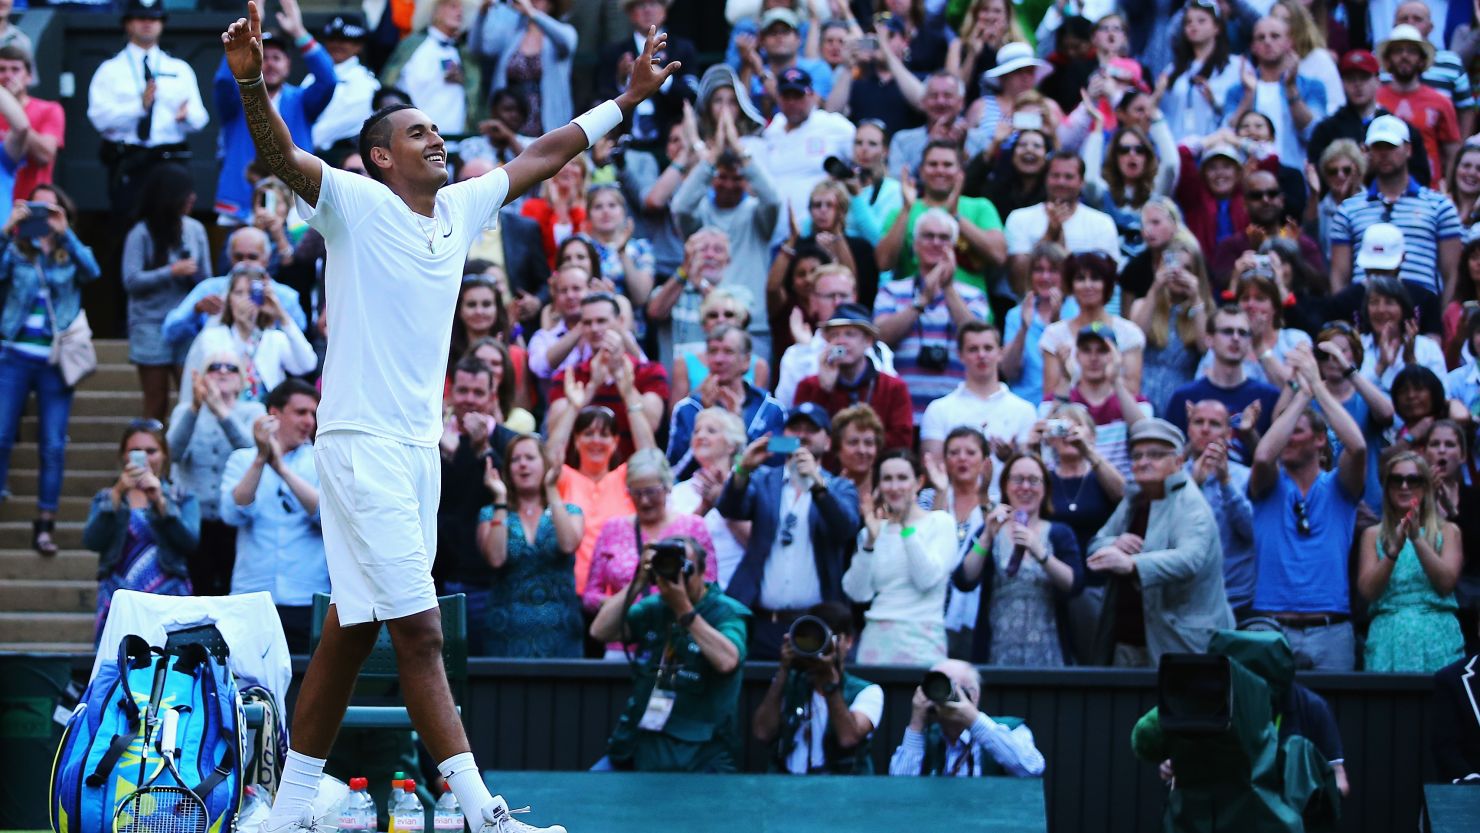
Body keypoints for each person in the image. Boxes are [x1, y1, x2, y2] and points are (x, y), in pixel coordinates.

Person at [222, 0, 679, 825]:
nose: (437, 139)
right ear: (379, 157)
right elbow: (282, 155)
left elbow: (546, 151)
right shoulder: (355, 203)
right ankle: (483, 810)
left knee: (351, 632)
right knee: (421, 632)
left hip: (414, 452)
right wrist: (254, 80)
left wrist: (629, 98)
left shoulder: (460, 210)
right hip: (359, 444)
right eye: (418, 133)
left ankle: (284, 813)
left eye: (439, 130)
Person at [1247, 346, 1366, 671]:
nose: (1286, 439)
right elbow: (1261, 456)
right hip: (1271, 626)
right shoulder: (1270, 485)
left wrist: (1319, 387)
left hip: (1332, 627)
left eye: (1295, 432)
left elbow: (1357, 446)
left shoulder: (1339, 487)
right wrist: (1302, 394)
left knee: (1335, 718)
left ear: (1318, 441)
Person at [589, 534, 748, 772]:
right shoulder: (656, 606)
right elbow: (600, 631)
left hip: (702, 755)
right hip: (642, 742)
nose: (676, 573)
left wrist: (683, 609)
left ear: (703, 571)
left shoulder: (726, 612)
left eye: (683, 565)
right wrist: (638, 582)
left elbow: (728, 660)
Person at [1085, 418, 1235, 666]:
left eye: (1154, 455)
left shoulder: (1190, 503)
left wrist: (1133, 564)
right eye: (1137, 456)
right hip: (1128, 640)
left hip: (1181, 646)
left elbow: (1190, 559)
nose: (1143, 462)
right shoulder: (1135, 498)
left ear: (1178, 461)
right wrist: (1115, 543)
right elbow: (1096, 543)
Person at [0, 187, 100, 557]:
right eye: (34, 209)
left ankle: (45, 524)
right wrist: (8, 228)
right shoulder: (15, 250)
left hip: (56, 361)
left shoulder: (67, 252)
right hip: (14, 354)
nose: (41, 217)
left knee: (53, 445)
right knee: (0, 434)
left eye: (49, 209)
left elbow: (94, 272)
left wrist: (65, 233)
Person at [717, 404, 860, 660]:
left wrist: (818, 486)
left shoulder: (840, 487)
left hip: (817, 625)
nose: (802, 435)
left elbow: (846, 528)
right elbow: (730, 508)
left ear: (828, 442)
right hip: (760, 622)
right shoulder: (763, 479)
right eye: (795, 428)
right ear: (783, 435)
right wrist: (743, 468)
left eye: (811, 429)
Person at [219, 379, 323, 652]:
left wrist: (283, 471)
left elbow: (328, 517)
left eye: (313, 413)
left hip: (307, 597)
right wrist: (261, 460)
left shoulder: (322, 460)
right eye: (301, 412)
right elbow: (231, 514)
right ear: (274, 414)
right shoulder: (242, 459)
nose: (309, 421)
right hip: (251, 594)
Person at [548, 347, 660, 597]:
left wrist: (629, 393)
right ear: (576, 441)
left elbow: (651, 459)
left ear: (615, 442)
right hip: (570, 594)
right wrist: (576, 404)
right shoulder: (564, 478)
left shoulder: (624, 477)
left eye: (604, 434)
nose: (596, 440)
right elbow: (549, 458)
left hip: (622, 594)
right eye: (587, 433)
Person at [583, 449, 717, 656]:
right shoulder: (613, 528)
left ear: (667, 487)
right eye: (636, 493)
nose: (644, 501)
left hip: (676, 642)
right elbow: (590, 595)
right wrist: (624, 602)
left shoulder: (693, 527)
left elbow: (710, 585)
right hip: (623, 642)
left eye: (651, 492)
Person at [1330, 116, 1461, 326]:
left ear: (1408, 149)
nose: (1383, 153)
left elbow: (1452, 273)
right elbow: (1339, 275)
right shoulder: (1348, 209)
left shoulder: (1439, 206)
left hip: (1421, 315)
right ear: (1368, 152)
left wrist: (1439, 320)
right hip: (1364, 317)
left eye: (1390, 146)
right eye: (1377, 147)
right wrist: (1346, 320)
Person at [953, 452, 1082, 666]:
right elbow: (963, 580)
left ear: (1045, 488)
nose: (1025, 487)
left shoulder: (1060, 533)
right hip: (995, 654)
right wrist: (986, 537)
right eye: (1017, 479)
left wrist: (1041, 553)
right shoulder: (989, 530)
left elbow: (1075, 584)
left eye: (1033, 480)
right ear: (1005, 486)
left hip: (1050, 654)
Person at [212, 0, 334, 224]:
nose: (268, 64)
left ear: (288, 65)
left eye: (276, 58)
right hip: (241, 204)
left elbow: (328, 80)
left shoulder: (301, 101)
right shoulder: (235, 99)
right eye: (263, 57)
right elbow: (222, 82)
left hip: (295, 206)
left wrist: (299, 31)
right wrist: (242, 43)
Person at [671, 121, 782, 358]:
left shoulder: (757, 215)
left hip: (753, 327)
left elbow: (773, 200)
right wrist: (710, 160)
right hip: (705, 327)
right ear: (712, 178)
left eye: (737, 178)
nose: (729, 184)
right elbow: (679, 208)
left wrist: (741, 152)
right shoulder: (700, 214)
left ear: (747, 180)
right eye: (722, 176)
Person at [86, 0, 209, 215]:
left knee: (171, 227)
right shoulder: (110, 70)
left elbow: (200, 119)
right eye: (141, 18)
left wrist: (186, 116)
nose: (147, 23)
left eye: (154, 18)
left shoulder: (180, 69)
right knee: (127, 228)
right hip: (129, 161)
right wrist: (138, 108)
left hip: (170, 159)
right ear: (127, 23)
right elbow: (98, 118)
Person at [874, 210, 993, 423]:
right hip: (903, 413)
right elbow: (880, 337)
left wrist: (947, 290)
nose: (936, 243)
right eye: (928, 236)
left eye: (944, 238)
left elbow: (977, 338)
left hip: (958, 416)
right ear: (915, 244)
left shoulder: (973, 296)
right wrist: (921, 301)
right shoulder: (891, 291)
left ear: (954, 246)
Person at [85, 419, 199, 639]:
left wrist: (161, 503)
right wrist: (116, 495)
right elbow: (92, 541)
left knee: (170, 664)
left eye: (151, 451)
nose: (144, 458)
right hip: (118, 594)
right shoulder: (106, 497)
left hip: (169, 592)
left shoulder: (183, 498)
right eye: (135, 451)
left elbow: (190, 542)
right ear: (124, 456)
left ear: (164, 455)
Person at [477, 433, 585, 658]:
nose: (523, 464)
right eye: (515, 459)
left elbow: (567, 544)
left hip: (561, 634)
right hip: (505, 633)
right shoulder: (490, 513)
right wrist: (500, 500)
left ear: (545, 464)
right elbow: (496, 558)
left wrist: (552, 489)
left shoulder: (572, 512)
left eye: (530, 457)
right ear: (508, 469)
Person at [843, 450, 955, 666]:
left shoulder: (940, 522)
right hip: (875, 641)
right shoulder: (872, 531)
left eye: (902, 478)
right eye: (887, 479)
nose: (894, 487)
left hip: (923, 642)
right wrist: (869, 543)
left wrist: (905, 528)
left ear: (919, 482)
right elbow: (858, 594)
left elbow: (927, 579)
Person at [167, 347, 264, 596]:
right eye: (214, 367)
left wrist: (221, 411)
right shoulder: (184, 411)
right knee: (197, 592)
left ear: (241, 381)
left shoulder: (252, 412)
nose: (222, 371)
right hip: (192, 520)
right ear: (202, 377)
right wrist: (195, 409)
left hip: (236, 518)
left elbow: (254, 453)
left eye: (231, 367)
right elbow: (172, 454)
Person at [1358, 451, 1465, 672]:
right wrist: (1393, 551)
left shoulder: (1448, 531)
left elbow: (1446, 583)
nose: (1404, 486)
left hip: (1438, 639)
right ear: (1386, 488)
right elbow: (1368, 592)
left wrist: (1416, 538)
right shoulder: (1372, 535)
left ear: (1426, 487)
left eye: (1413, 480)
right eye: (1396, 480)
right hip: (1387, 640)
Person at [122, 163, 209, 424]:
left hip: (186, 322)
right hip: (150, 323)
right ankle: (152, 455)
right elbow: (131, 280)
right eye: (186, 192)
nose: (192, 198)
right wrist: (171, 271)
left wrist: (191, 274)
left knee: (193, 398)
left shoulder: (196, 230)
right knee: (156, 399)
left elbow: (206, 279)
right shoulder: (141, 233)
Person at [752, 600, 881, 774]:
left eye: (826, 637)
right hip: (788, 787)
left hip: (842, 791)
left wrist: (829, 682)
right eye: (811, 638)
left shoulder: (868, 692)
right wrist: (783, 670)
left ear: (848, 641)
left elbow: (848, 738)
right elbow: (762, 733)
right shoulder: (791, 682)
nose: (819, 644)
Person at [549, 292, 668, 462]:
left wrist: (624, 383)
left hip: (632, 477)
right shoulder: (567, 376)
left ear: (620, 322)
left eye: (602, 321)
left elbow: (651, 425)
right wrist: (591, 387)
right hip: (580, 478)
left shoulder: (650, 372)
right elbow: (555, 437)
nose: (594, 329)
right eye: (587, 323)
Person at [886, 659, 1045, 777]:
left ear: (974, 695)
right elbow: (900, 787)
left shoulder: (1009, 729)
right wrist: (916, 723)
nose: (942, 694)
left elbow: (1032, 768)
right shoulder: (927, 738)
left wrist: (973, 719)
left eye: (951, 686)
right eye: (937, 685)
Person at [183, 266, 317, 406]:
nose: (246, 299)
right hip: (225, 413)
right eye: (239, 293)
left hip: (267, 417)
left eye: (252, 293)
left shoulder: (275, 338)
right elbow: (226, 372)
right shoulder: (212, 336)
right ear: (229, 299)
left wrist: (282, 316)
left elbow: (306, 364)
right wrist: (243, 329)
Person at [792, 302, 914, 451]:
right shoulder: (808, 386)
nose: (841, 341)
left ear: (868, 341)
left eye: (850, 334)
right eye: (834, 335)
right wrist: (823, 390)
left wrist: (856, 446)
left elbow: (902, 442)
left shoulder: (893, 387)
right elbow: (799, 440)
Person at [666, 324, 785, 475]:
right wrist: (707, 417)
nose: (718, 359)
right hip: (699, 491)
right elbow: (674, 471)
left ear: (746, 360)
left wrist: (737, 425)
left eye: (728, 352)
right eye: (712, 351)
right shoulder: (687, 409)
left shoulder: (771, 408)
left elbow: (784, 454)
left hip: (755, 494)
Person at [1307, 49, 1431, 190]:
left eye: (1364, 77)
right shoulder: (1326, 130)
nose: (1357, 85)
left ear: (1377, 80)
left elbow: (1421, 176)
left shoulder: (1400, 128)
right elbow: (1317, 180)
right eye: (1351, 79)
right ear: (1342, 83)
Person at [760, 66, 855, 246]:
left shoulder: (833, 125)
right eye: (787, 96)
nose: (792, 102)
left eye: (798, 96)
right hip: (776, 236)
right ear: (778, 98)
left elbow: (862, 162)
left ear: (812, 96)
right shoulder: (771, 132)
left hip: (820, 235)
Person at [919, 319, 1036, 461]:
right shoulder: (938, 410)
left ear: (1000, 353)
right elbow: (934, 468)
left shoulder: (1024, 410)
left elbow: (1029, 468)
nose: (981, 355)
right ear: (960, 355)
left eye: (988, 348)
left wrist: (1010, 457)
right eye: (973, 349)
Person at [1005, 153, 1123, 291]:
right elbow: (1018, 283)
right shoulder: (1019, 218)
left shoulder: (1102, 223)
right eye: (1055, 176)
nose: (1061, 182)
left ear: (1082, 182)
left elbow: (1107, 279)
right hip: (1031, 308)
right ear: (1046, 178)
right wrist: (1049, 235)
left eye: (1069, 177)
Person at [1183, 399, 1257, 619]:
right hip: (1188, 599)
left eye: (1214, 424)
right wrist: (1193, 486)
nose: (1205, 429)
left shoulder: (1245, 477)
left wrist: (1225, 483)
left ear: (1227, 433)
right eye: (1198, 422)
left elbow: (1252, 532)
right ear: (1189, 428)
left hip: (1237, 600)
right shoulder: (1174, 477)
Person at [1222, 16, 1327, 170]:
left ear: (1289, 42)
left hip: (1294, 174)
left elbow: (1314, 134)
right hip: (1250, 176)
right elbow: (1227, 133)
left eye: (1275, 36)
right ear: (1253, 46)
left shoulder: (1312, 87)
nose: (1267, 42)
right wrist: (1249, 96)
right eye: (1261, 37)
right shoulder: (1237, 91)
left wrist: (1291, 89)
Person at [1039, 251, 1144, 404]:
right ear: (1071, 285)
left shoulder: (1129, 333)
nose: (1088, 285)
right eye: (1080, 279)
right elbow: (1050, 395)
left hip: (1117, 419)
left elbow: (1133, 392)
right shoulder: (1054, 335)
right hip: (1070, 417)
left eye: (1095, 278)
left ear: (1107, 285)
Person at [1164, 305, 1280, 439]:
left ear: (1249, 342)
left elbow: (1272, 458)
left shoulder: (1268, 397)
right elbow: (1172, 456)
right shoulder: (1184, 397)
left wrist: (1249, 434)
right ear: (1209, 339)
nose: (1236, 338)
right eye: (1228, 331)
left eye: (1242, 333)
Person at [668, 406, 750, 590]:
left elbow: (757, 544)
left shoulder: (749, 488)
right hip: (691, 593)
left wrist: (723, 501)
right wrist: (703, 508)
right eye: (696, 431)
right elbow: (672, 545)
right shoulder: (678, 492)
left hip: (739, 595)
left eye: (711, 431)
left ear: (731, 445)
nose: (700, 436)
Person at [470, 0, 578, 136]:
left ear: (551, 4)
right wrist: (482, 14)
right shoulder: (512, 33)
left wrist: (533, 14)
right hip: (509, 120)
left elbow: (567, 42)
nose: (531, 1)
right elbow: (477, 49)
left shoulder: (562, 32)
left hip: (546, 124)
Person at [1129, 238, 1211, 415]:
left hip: (1182, 397)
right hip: (1143, 394)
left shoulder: (1205, 310)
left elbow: (1207, 348)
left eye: (1187, 269)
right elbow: (1134, 340)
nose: (1178, 274)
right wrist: (1155, 288)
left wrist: (1196, 298)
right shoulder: (1142, 304)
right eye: (1172, 266)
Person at [1376, 24, 1460, 188]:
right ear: (1387, 59)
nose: (1404, 56)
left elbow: (1453, 153)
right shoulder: (1375, 100)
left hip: (1430, 191)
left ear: (1422, 60)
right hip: (1383, 190)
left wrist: (1449, 189)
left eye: (1412, 51)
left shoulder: (1441, 102)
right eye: (1398, 51)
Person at [381, 0, 480, 136]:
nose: (460, 12)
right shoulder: (411, 46)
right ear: (435, 11)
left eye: (461, 8)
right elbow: (388, 85)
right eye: (453, 6)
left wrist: (465, 80)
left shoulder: (464, 53)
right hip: (414, 136)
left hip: (455, 139)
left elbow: (475, 98)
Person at [1426, 420, 1480, 651]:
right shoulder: (1407, 495)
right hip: (1425, 603)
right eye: (1435, 444)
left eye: (1449, 445)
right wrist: (1427, 496)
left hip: (1469, 607)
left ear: (1463, 455)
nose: (1441, 450)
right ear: (1423, 451)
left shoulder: (1476, 498)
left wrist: (1452, 511)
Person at [669, 287, 769, 405]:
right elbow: (676, 416)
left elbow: (759, 414)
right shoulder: (683, 363)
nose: (721, 320)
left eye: (729, 314)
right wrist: (700, 394)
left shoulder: (758, 366)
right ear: (703, 325)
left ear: (741, 321)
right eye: (713, 315)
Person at [1159, 0, 1241, 141]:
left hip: (1215, 148)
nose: (1193, 25)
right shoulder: (1172, 70)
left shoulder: (1235, 67)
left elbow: (1238, 112)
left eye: (1201, 21)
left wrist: (1215, 103)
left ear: (1217, 27)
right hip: (1178, 147)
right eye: (1188, 22)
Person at [304, 15, 378, 154]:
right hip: (304, 152)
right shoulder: (311, 77)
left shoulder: (366, 83)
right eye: (332, 39)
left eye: (344, 40)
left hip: (340, 157)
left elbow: (337, 125)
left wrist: (295, 141)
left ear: (359, 46)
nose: (336, 44)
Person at [0, 45, 63, 203]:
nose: (8, 76)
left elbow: (45, 155)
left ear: (28, 76)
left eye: (15, 70)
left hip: (33, 203)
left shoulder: (50, 110)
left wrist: (14, 110)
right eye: (1, 69)